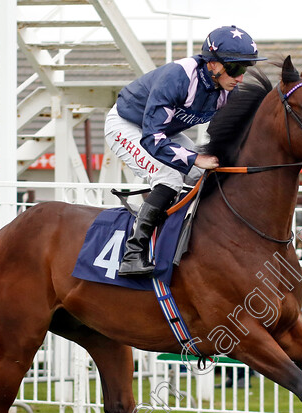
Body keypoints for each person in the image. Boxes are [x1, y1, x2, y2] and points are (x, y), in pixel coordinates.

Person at [104, 25, 265, 277]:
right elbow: (152, 138)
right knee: (169, 177)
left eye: (245, 69)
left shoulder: (227, 91)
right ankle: (133, 253)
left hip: (163, 130)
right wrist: (195, 158)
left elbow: (223, 139)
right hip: (128, 126)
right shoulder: (177, 77)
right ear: (212, 64)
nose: (240, 77)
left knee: (208, 175)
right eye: (235, 68)